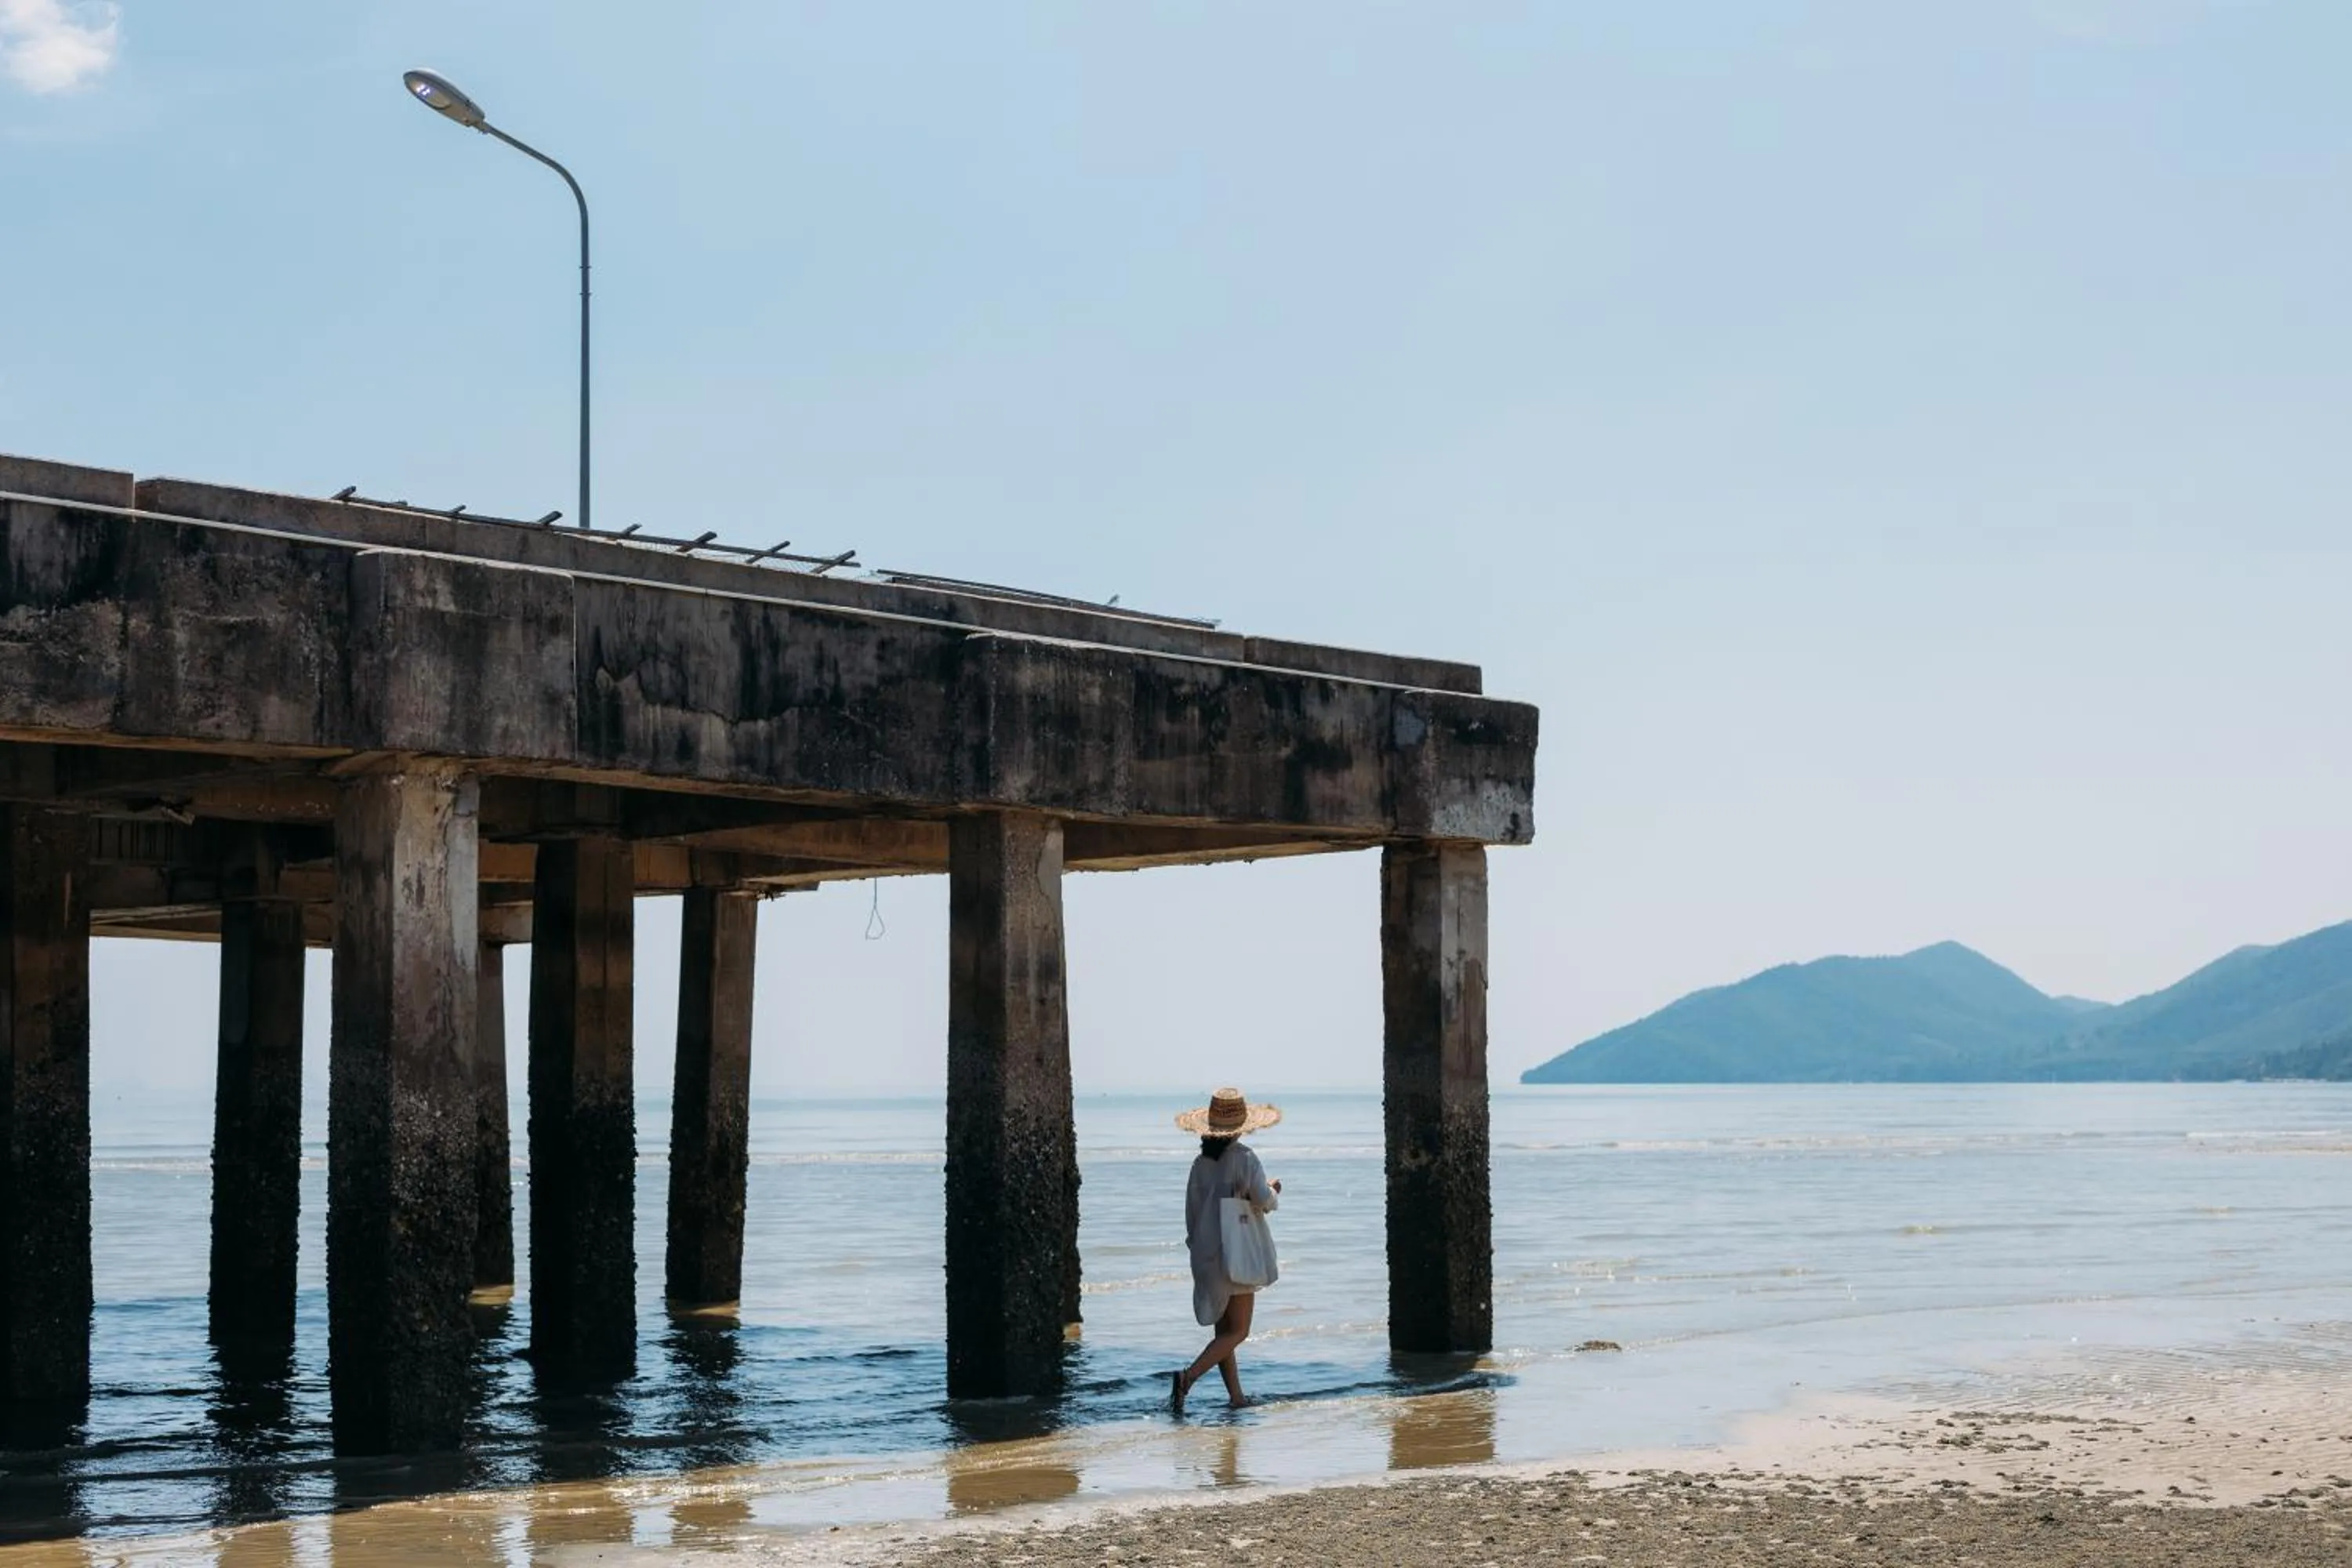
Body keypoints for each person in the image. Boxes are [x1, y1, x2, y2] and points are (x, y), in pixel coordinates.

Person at [1169, 1087, 1282, 1414]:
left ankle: (1236, 1398)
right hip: (1238, 1251)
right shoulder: (1244, 1158)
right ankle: (1187, 1378)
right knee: (1239, 1331)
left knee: (1224, 1332)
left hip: (1207, 1254)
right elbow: (1262, 1200)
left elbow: (1191, 1212)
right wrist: (1274, 1191)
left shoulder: (1200, 1163)